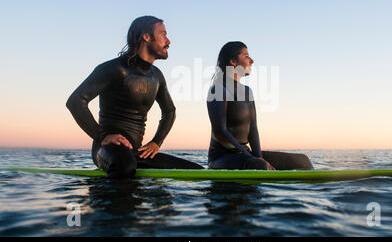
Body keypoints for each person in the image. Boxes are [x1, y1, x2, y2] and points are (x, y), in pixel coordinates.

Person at [66, 16, 204, 179]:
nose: (168, 41)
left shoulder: (157, 76)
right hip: (107, 150)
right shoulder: (115, 69)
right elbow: (75, 101)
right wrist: (102, 136)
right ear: (146, 36)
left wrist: (156, 143)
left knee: (198, 172)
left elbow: (170, 111)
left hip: (136, 153)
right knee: (125, 165)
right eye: (163, 34)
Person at [207, 41, 313, 170]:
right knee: (258, 165)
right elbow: (221, 132)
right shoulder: (218, 89)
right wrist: (255, 159)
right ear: (233, 61)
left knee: (302, 161)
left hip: (244, 154)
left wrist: (258, 156)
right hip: (220, 158)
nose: (251, 60)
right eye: (246, 56)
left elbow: (253, 129)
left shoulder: (247, 91)